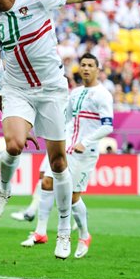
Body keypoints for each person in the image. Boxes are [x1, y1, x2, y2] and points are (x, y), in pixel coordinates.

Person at [0, 0, 136, 259]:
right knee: (13, 145)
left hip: (51, 91)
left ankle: (62, 231)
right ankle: (3, 189)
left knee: (58, 164)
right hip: (17, 89)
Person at [21, 53, 113, 259]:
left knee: (72, 197)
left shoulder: (103, 95)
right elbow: (65, 119)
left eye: (91, 65)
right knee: (46, 182)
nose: (86, 68)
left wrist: (85, 142)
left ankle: (84, 234)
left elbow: (108, 126)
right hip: (67, 148)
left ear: (98, 69)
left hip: (85, 153)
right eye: (83, 65)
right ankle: (41, 231)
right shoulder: (76, 93)